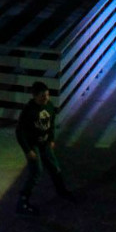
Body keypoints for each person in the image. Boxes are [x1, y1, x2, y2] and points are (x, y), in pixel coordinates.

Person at [16, 81, 74, 214]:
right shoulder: (29, 110)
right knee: (36, 171)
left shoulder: (49, 105)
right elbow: (19, 132)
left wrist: (52, 139)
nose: (46, 98)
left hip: (45, 143)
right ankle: (23, 201)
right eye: (42, 96)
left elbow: (52, 122)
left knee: (55, 167)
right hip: (33, 144)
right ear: (35, 96)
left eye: (47, 95)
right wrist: (28, 150)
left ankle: (62, 191)